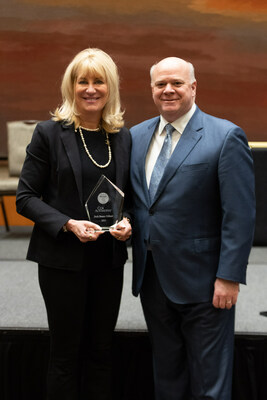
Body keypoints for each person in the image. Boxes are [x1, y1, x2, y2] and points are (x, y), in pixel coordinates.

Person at [130, 57, 255, 400]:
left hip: (206, 281)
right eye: (160, 84)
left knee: (209, 383)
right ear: (152, 89)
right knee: (167, 374)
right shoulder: (136, 136)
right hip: (153, 277)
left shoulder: (225, 136)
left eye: (177, 83)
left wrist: (229, 276)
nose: (168, 90)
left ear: (193, 87)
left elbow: (239, 215)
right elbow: (137, 203)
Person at [16, 48, 132, 400]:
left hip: (108, 261)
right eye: (83, 81)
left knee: (102, 352)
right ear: (71, 86)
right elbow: (25, 197)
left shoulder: (123, 136)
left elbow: (134, 199)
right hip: (62, 262)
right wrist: (67, 223)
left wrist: (129, 221)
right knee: (65, 355)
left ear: (110, 88)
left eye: (99, 81)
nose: (90, 89)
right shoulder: (49, 133)